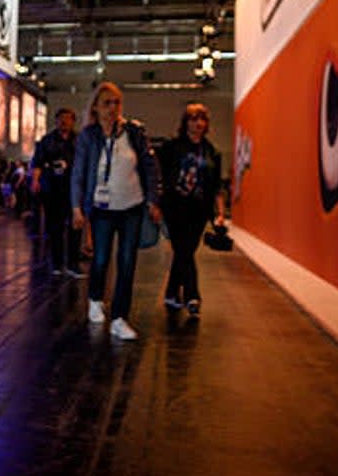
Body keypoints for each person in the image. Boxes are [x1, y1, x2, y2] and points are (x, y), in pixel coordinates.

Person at [71, 82, 161, 340]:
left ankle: (120, 318)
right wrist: (77, 208)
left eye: (116, 103)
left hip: (131, 206)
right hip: (101, 209)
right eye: (106, 103)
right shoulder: (89, 136)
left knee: (127, 262)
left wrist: (153, 200)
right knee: (100, 259)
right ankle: (95, 297)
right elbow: (78, 173)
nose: (112, 108)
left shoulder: (134, 132)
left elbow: (149, 167)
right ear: (96, 108)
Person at [157, 103, 226, 316]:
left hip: (199, 210)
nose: (198, 124)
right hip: (175, 208)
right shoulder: (172, 147)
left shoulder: (212, 152)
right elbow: (156, 171)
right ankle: (192, 295)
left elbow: (216, 187)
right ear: (185, 123)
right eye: (193, 119)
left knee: (184, 252)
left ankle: (171, 292)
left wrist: (220, 213)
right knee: (184, 250)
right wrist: (155, 200)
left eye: (201, 119)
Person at [30, 107, 83, 277]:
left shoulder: (79, 140)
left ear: (73, 121)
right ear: (56, 120)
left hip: (74, 190)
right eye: (61, 118)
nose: (64, 122)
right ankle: (57, 264)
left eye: (68, 118)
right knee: (55, 228)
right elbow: (38, 162)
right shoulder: (47, 140)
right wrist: (35, 181)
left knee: (75, 228)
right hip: (52, 189)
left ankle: (74, 264)